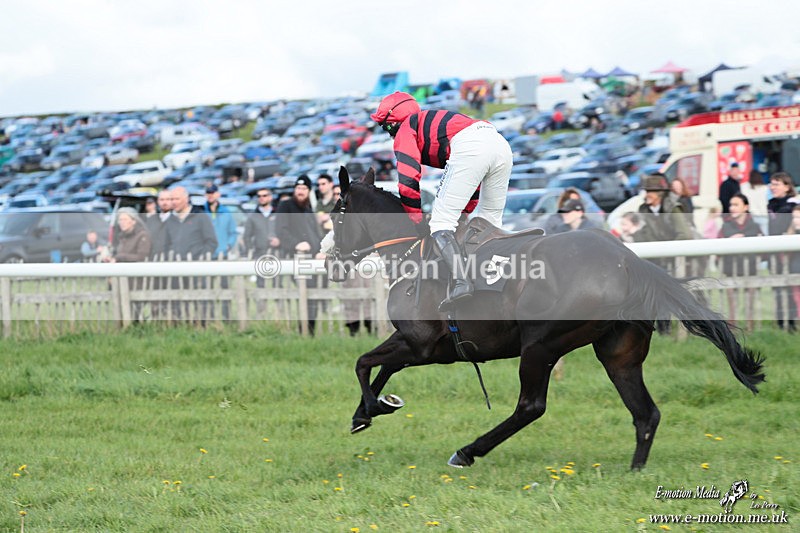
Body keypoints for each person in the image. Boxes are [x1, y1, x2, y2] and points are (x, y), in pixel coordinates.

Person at [370, 91, 512, 309]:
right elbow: (469, 179)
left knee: (439, 223)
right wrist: (464, 212)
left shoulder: (407, 128)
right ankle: (495, 282)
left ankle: (462, 283)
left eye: (387, 126)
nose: (389, 134)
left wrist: (416, 221)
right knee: (489, 223)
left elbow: (408, 180)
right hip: (500, 143)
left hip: (473, 145)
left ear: (396, 120)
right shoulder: (431, 123)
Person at [275, 175, 325, 335]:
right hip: (295, 258)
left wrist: (320, 251)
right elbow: (281, 230)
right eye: (298, 188)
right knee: (306, 295)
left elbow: (315, 235)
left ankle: (309, 331)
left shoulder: (309, 210)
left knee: (314, 296)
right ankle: (303, 330)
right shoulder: (286, 206)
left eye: (304, 189)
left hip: (312, 260)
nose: (300, 191)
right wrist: (296, 244)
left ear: (309, 191)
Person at [718, 194, 763, 330]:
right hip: (730, 268)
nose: (732, 208)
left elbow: (762, 245)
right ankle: (733, 329)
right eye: (731, 205)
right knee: (732, 303)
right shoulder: (725, 226)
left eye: (736, 205)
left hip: (750, 268)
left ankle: (751, 328)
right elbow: (717, 245)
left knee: (750, 302)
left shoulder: (755, 226)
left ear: (746, 207)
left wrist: (745, 239)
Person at [767, 172, 798, 331]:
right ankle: (781, 321)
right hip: (775, 250)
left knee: (791, 287)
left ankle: (791, 322)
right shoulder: (771, 204)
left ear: (787, 186)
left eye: (777, 184)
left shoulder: (792, 204)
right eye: (771, 184)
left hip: (790, 252)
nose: (773, 187)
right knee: (778, 288)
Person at [203, 185, 238, 259]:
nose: (210, 195)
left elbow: (233, 232)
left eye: (212, 192)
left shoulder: (226, 212)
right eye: (208, 193)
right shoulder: (201, 212)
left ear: (218, 194)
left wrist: (228, 246)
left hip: (222, 254)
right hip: (205, 255)